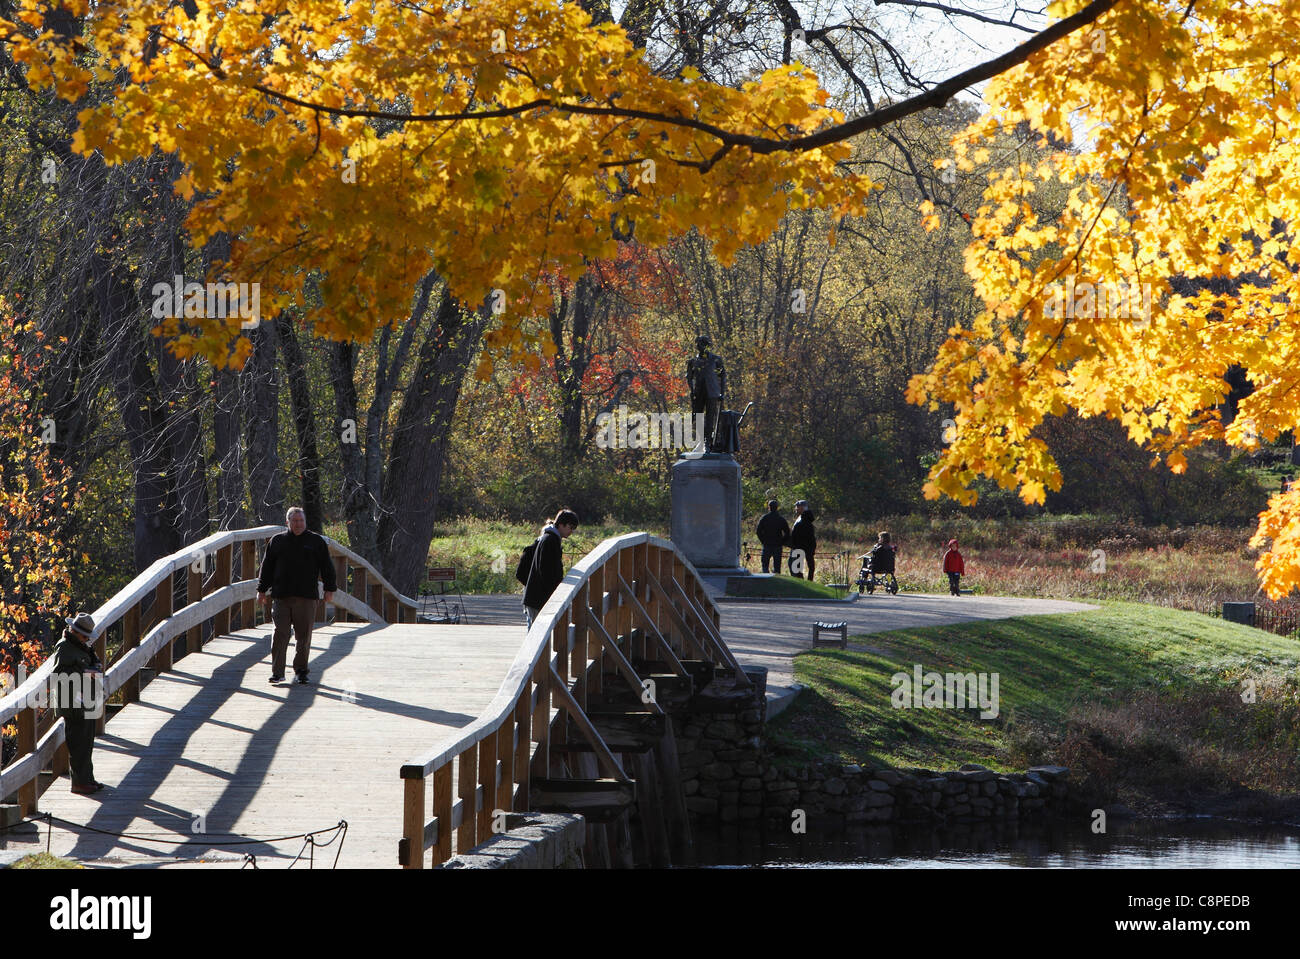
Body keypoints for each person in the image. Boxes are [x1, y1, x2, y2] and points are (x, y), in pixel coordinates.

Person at [257, 506, 337, 685]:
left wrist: (329, 589)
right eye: (295, 521)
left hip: (306, 597)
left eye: (301, 521)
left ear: (305, 522)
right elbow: (267, 567)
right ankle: (277, 672)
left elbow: (327, 567)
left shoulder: (316, 541)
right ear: (288, 522)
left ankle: (301, 671)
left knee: (304, 635)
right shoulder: (277, 541)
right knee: (280, 634)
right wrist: (261, 590)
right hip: (281, 596)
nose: (298, 524)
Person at [51, 612, 106, 795]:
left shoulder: (81, 646)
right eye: (84, 636)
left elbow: (91, 663)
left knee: (87, 741)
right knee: (78, 743)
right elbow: (59, 674)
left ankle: (87, 778)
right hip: (72, 703)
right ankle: (79, 783)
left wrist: (93, 669)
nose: (86, 639)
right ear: (74, 631)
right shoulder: (65, 647)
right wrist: (84, 672)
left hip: (85, 701)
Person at [523, 508, 580, 628]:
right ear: (561, 524)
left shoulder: (550, 538)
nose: (571, 531)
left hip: (535, 597)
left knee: (539, 634)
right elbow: (546, 571)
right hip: (538, 599)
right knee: (537, 634)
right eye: (570, 527)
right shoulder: (550, 540)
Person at [685, 335, 726, 452]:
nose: (700, 347)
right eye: (698, 345)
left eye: (702, 344)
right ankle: (701, 441)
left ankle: (708, 442)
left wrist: (722, 393)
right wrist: (692, 390)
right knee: (697, 416)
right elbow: (689, 377)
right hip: (698, 393)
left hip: (712, 393)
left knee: (710, 418)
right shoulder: (693, 361)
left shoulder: (716, 360)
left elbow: (722, 376)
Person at [755, 500, 790, 574]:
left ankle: (765, 581)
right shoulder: (781, 519)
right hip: (777, 545)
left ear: (769, 507)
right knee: (777, 567)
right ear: (777, 508)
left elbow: (758, 532)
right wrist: (782, 542)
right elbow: (787, 532)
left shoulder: (765, 518)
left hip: (767, 544)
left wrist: (763, 541)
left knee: (765, 565)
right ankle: (777, 582)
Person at [788, 500, 817, 580]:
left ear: (802, 508)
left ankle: (802, 583)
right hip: (807, 547)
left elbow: (797, 534)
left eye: (797, 507)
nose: (796, 508)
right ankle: (808, 582)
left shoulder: (803, 519)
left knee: (796, 568)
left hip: (799, 547)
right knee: (806, 567)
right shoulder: (804, 518)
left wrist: (792, 543)